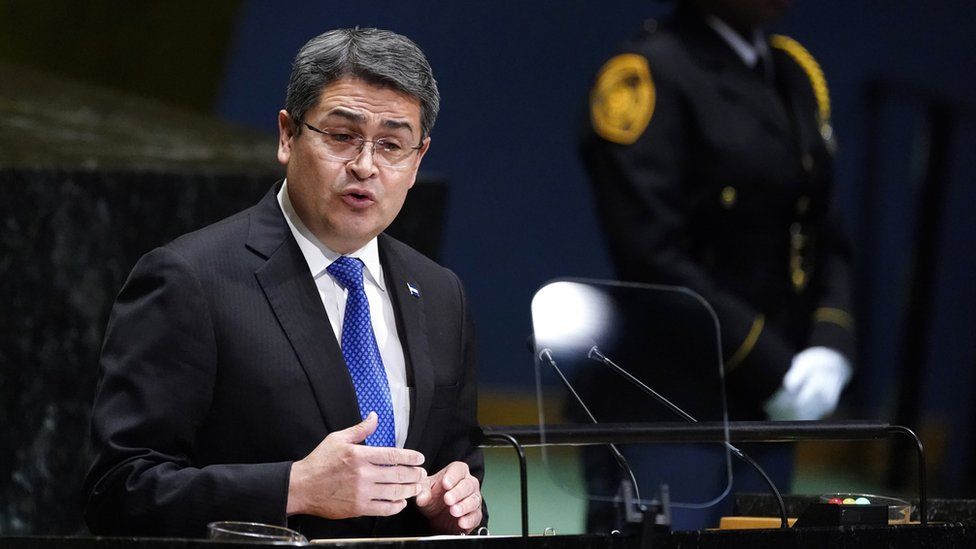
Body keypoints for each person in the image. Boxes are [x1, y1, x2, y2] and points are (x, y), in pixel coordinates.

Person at [84, 28, 484, 540]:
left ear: (417, 160)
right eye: (342, 136)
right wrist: (294, 487)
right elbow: (117, 490)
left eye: (391, 144)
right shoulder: (189, 279)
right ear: (288, 136)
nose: (365, 165)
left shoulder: (440, 292)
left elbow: (460, 465)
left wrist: (460, 505)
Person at [579, 0, 855, 529]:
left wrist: (831, 343)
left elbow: (824, 230)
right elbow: (650, 254)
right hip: (674, 401)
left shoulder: (793, 72)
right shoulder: (647, 73)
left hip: (772, 404)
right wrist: (771, 364)